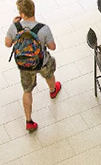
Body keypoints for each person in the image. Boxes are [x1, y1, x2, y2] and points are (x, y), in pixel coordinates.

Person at [4, 0, 61, 132]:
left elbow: (8, 43)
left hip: (25, 65)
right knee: (49, 74)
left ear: (22, 14)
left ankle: (29, 121)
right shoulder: (43, 28)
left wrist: (13, 24)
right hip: (42, 62)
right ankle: (53, 90)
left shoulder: (15, 27)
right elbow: (52, 47)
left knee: (27, 90)